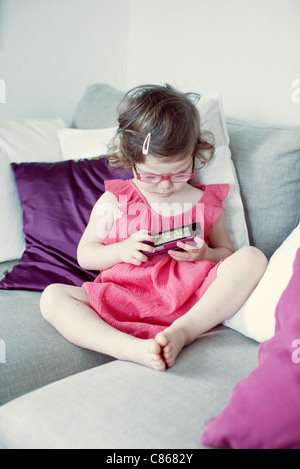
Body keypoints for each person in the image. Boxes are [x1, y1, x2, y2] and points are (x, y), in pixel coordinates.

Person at [40, 84, 267, 371]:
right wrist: (121, 250)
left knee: (252, 257)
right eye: (151, 176)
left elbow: (227, 252)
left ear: (195, 155)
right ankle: (128, 348)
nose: (165, 185)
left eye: (179, 173)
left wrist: (206, 254)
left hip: (190, 300)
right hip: (125, 298)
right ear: (132, 161)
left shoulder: (205, 201)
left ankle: (183, 332)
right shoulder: (116, 199)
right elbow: (85, 255)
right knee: (52, 297)